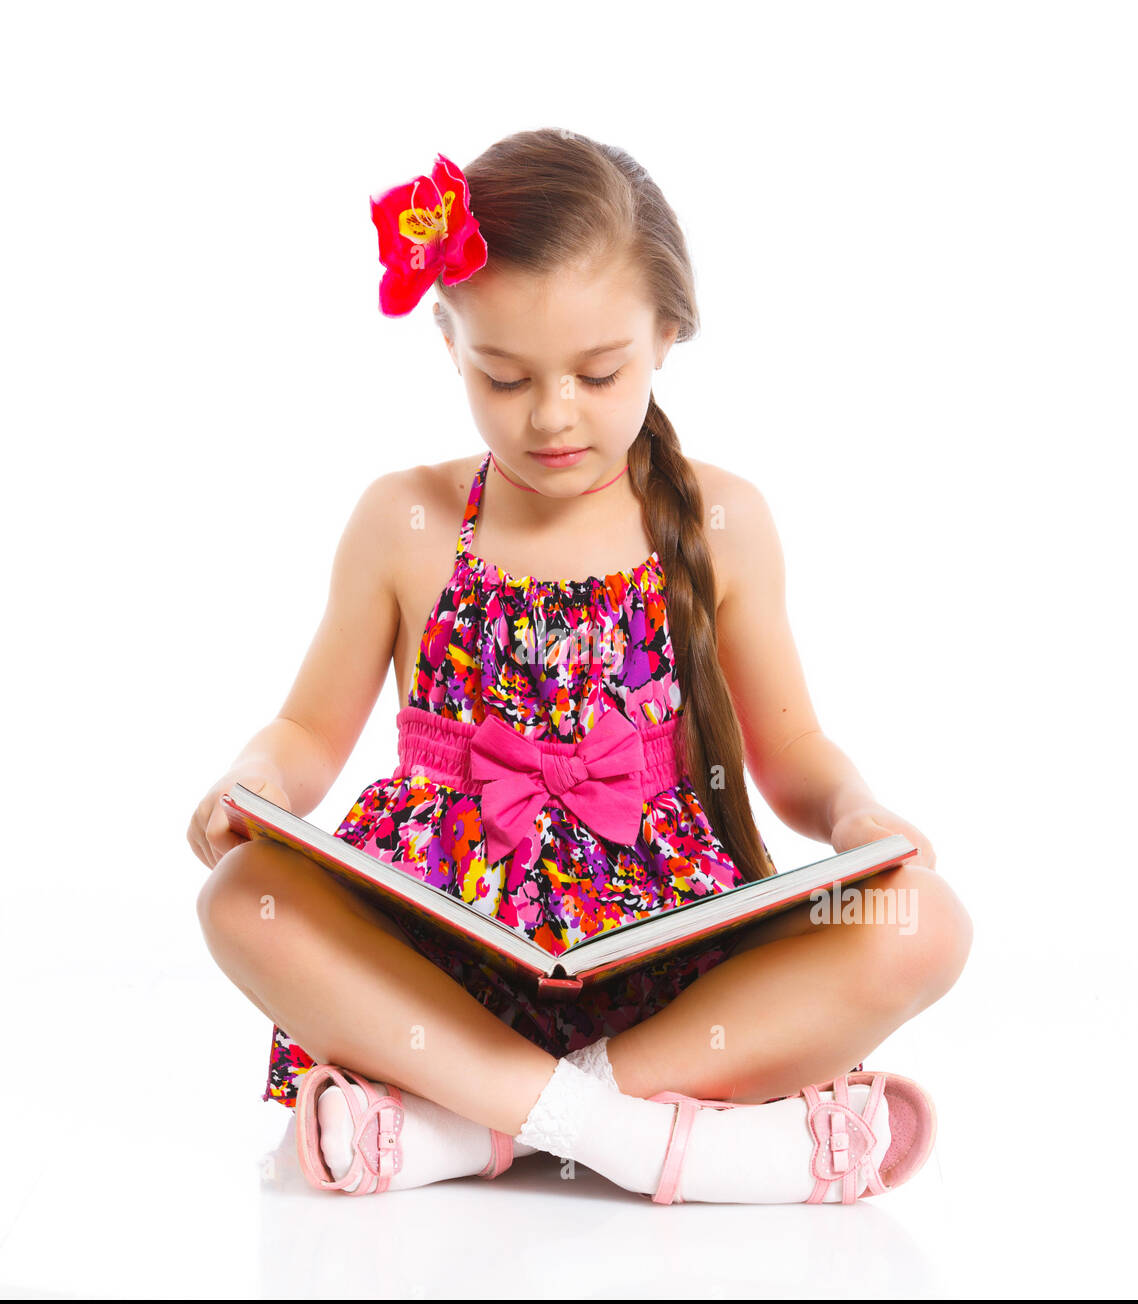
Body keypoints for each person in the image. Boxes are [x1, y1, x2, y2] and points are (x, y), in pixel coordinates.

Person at [188, 130, 972, 1204]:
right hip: (439, 954)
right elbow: (308, 734)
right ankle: (640, 1139)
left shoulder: (721, 516)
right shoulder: (404, 517)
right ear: (447, 340)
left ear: (665, 335)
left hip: (662, 971)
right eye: (503, 376)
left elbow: (790, 754)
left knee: (917, 919)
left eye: (598, 374)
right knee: (242, 897)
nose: (552, 415)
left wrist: (855, 816)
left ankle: (469, 1125)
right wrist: (259, 782)